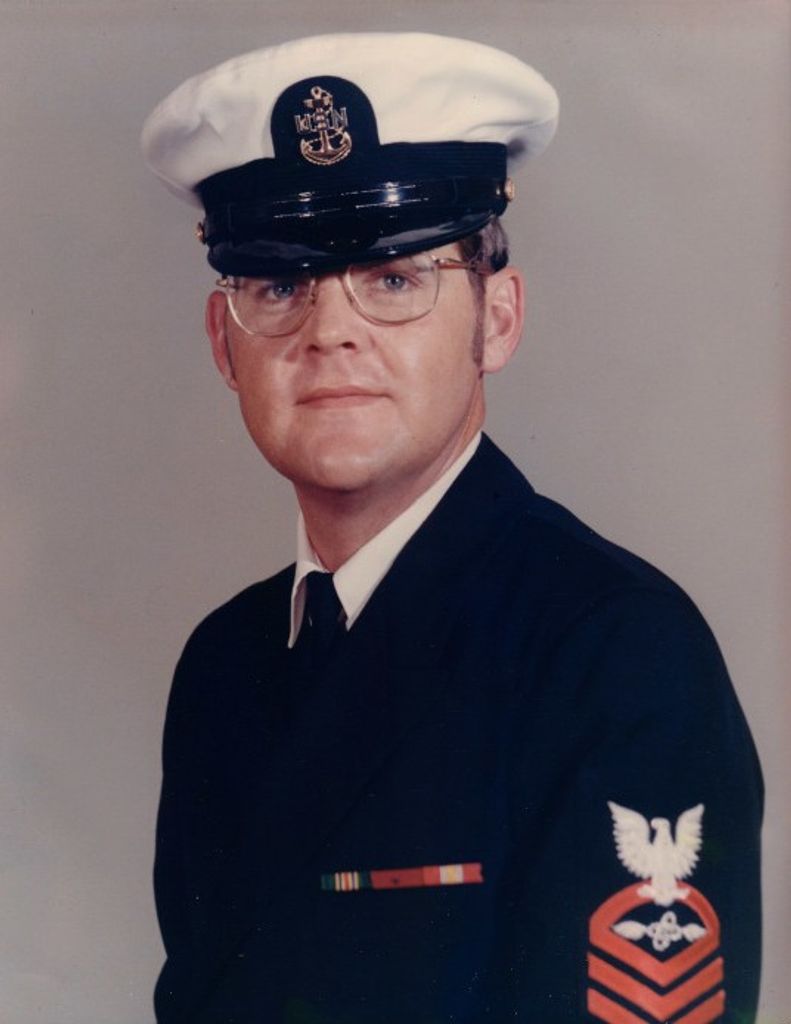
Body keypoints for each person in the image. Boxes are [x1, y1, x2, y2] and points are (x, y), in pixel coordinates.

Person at [142, 32, 762, 1024]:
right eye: (279, 285)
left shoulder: (614, 650)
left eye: (393, 278)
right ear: (225, 344)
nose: (330, 331)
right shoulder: (225, 663)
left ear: (494, 319)